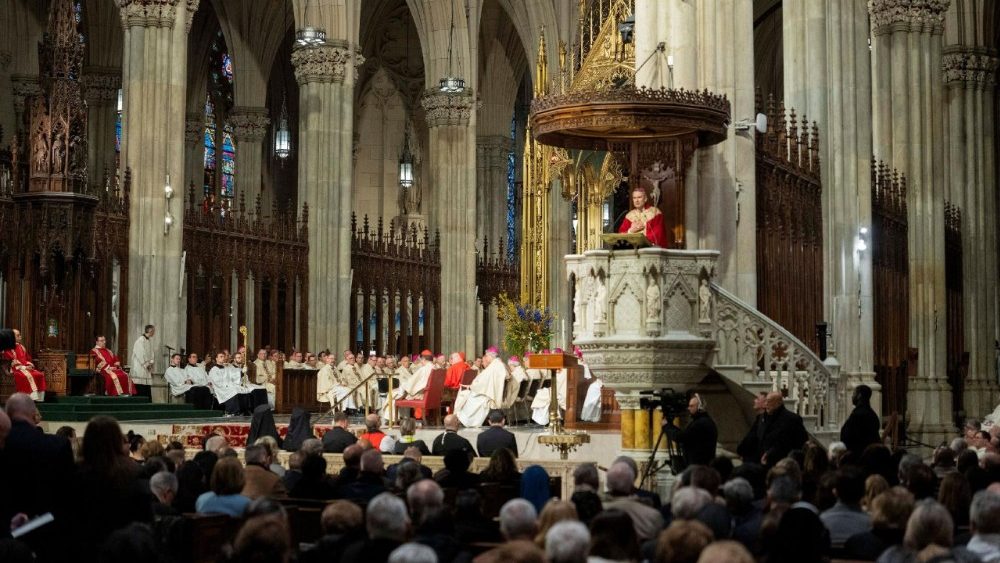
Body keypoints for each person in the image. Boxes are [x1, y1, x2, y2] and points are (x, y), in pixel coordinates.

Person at [455, 347, 508, 428]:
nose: (486, 358)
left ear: (490, 356)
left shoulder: (494, 366)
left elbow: (481, 383)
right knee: (468, 393)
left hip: (487, 394)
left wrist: (471, 386)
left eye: (486, 356)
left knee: (466, 395)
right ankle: (461, 419)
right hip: (490, 392)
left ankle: (464, 420)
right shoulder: (498, 364)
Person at [759, 391, 808, 466]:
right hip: (766, 462)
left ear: (778, 403)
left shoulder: (792, 419)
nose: (766, 405)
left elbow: (800, 443)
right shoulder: (763, 418)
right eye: (766, 401)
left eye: (769, 402)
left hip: (785, 464)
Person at [1, 329, 47, 401]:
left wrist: (29, 364)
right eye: (18, 335)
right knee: (24, 376)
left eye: (20, 335)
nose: (20, 337)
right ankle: (26, 399)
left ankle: (37, 398)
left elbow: (26, 358)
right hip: (14, 369)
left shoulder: (21, 347)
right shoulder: (8, 348)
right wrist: (24, 367)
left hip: (23, 367)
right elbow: (11, 362)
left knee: (39, 374)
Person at [675, 393, 718, 467]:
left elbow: (682, 437)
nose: (688, 408)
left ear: (700, 407)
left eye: (691, 406)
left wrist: (667, 427)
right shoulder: (703, 421)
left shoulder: (701, 423)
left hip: (699, 468)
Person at [841, 384, 881, 455]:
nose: (852, 396)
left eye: (854, 393)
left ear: (859, 395)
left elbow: (848, 436)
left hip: (859, 455)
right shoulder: (873, 414)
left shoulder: (857, 414)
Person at [129, 324, 156, 397]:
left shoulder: (149, 341)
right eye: (153, 331)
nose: (154, 332)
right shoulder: (140, 340)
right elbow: (140, 354)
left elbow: (151, 353)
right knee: (140, 384)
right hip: (140, 366)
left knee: (146, 385)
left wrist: (151, 363)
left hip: (146, 366)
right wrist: (147, 364)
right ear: (150, 331)